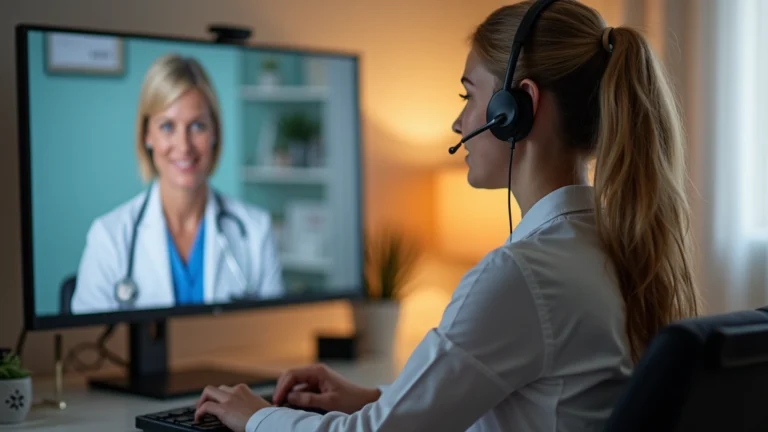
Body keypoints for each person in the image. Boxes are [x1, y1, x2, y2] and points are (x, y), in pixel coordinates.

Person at [192, 0, 701, 430]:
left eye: (469, 95)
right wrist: (373, 396)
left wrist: (256, 416)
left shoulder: (523, 276)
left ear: (515, 109)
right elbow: (515, 398)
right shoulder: (611, 246)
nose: (459, 121)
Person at [71, 54, 285, 314]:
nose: (184, 146)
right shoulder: (109, 238)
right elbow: (85, 349)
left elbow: (273, 338)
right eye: (167, 126)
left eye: (197, 126)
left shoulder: (255, 231)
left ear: (215, 133)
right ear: (146, 135)